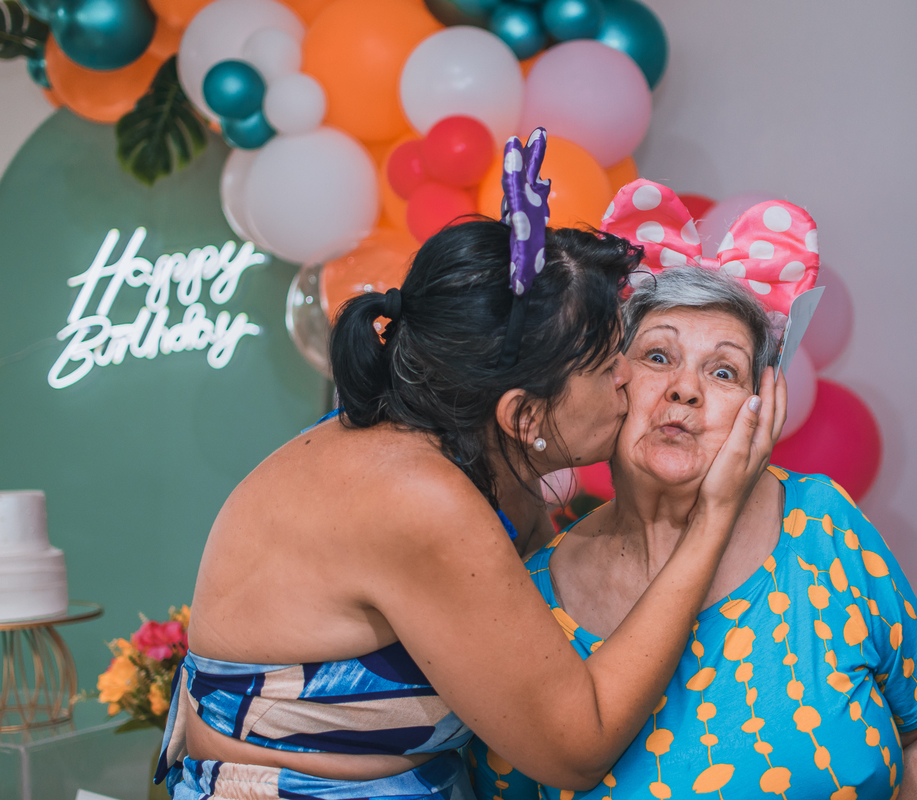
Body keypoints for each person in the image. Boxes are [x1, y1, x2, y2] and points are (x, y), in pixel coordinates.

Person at [155, 134, 786, 800]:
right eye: (610, 366)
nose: (632, 378)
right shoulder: (418, 498)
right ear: (525, 417)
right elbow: (577, 746)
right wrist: (713, 516)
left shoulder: (470, 450)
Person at [469, 184, 917, 800]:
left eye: (723, 370)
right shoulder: (533, 598)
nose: (686, 389)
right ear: (610, 383)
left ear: (764, 404)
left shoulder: (824, 525)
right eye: (657, 357)